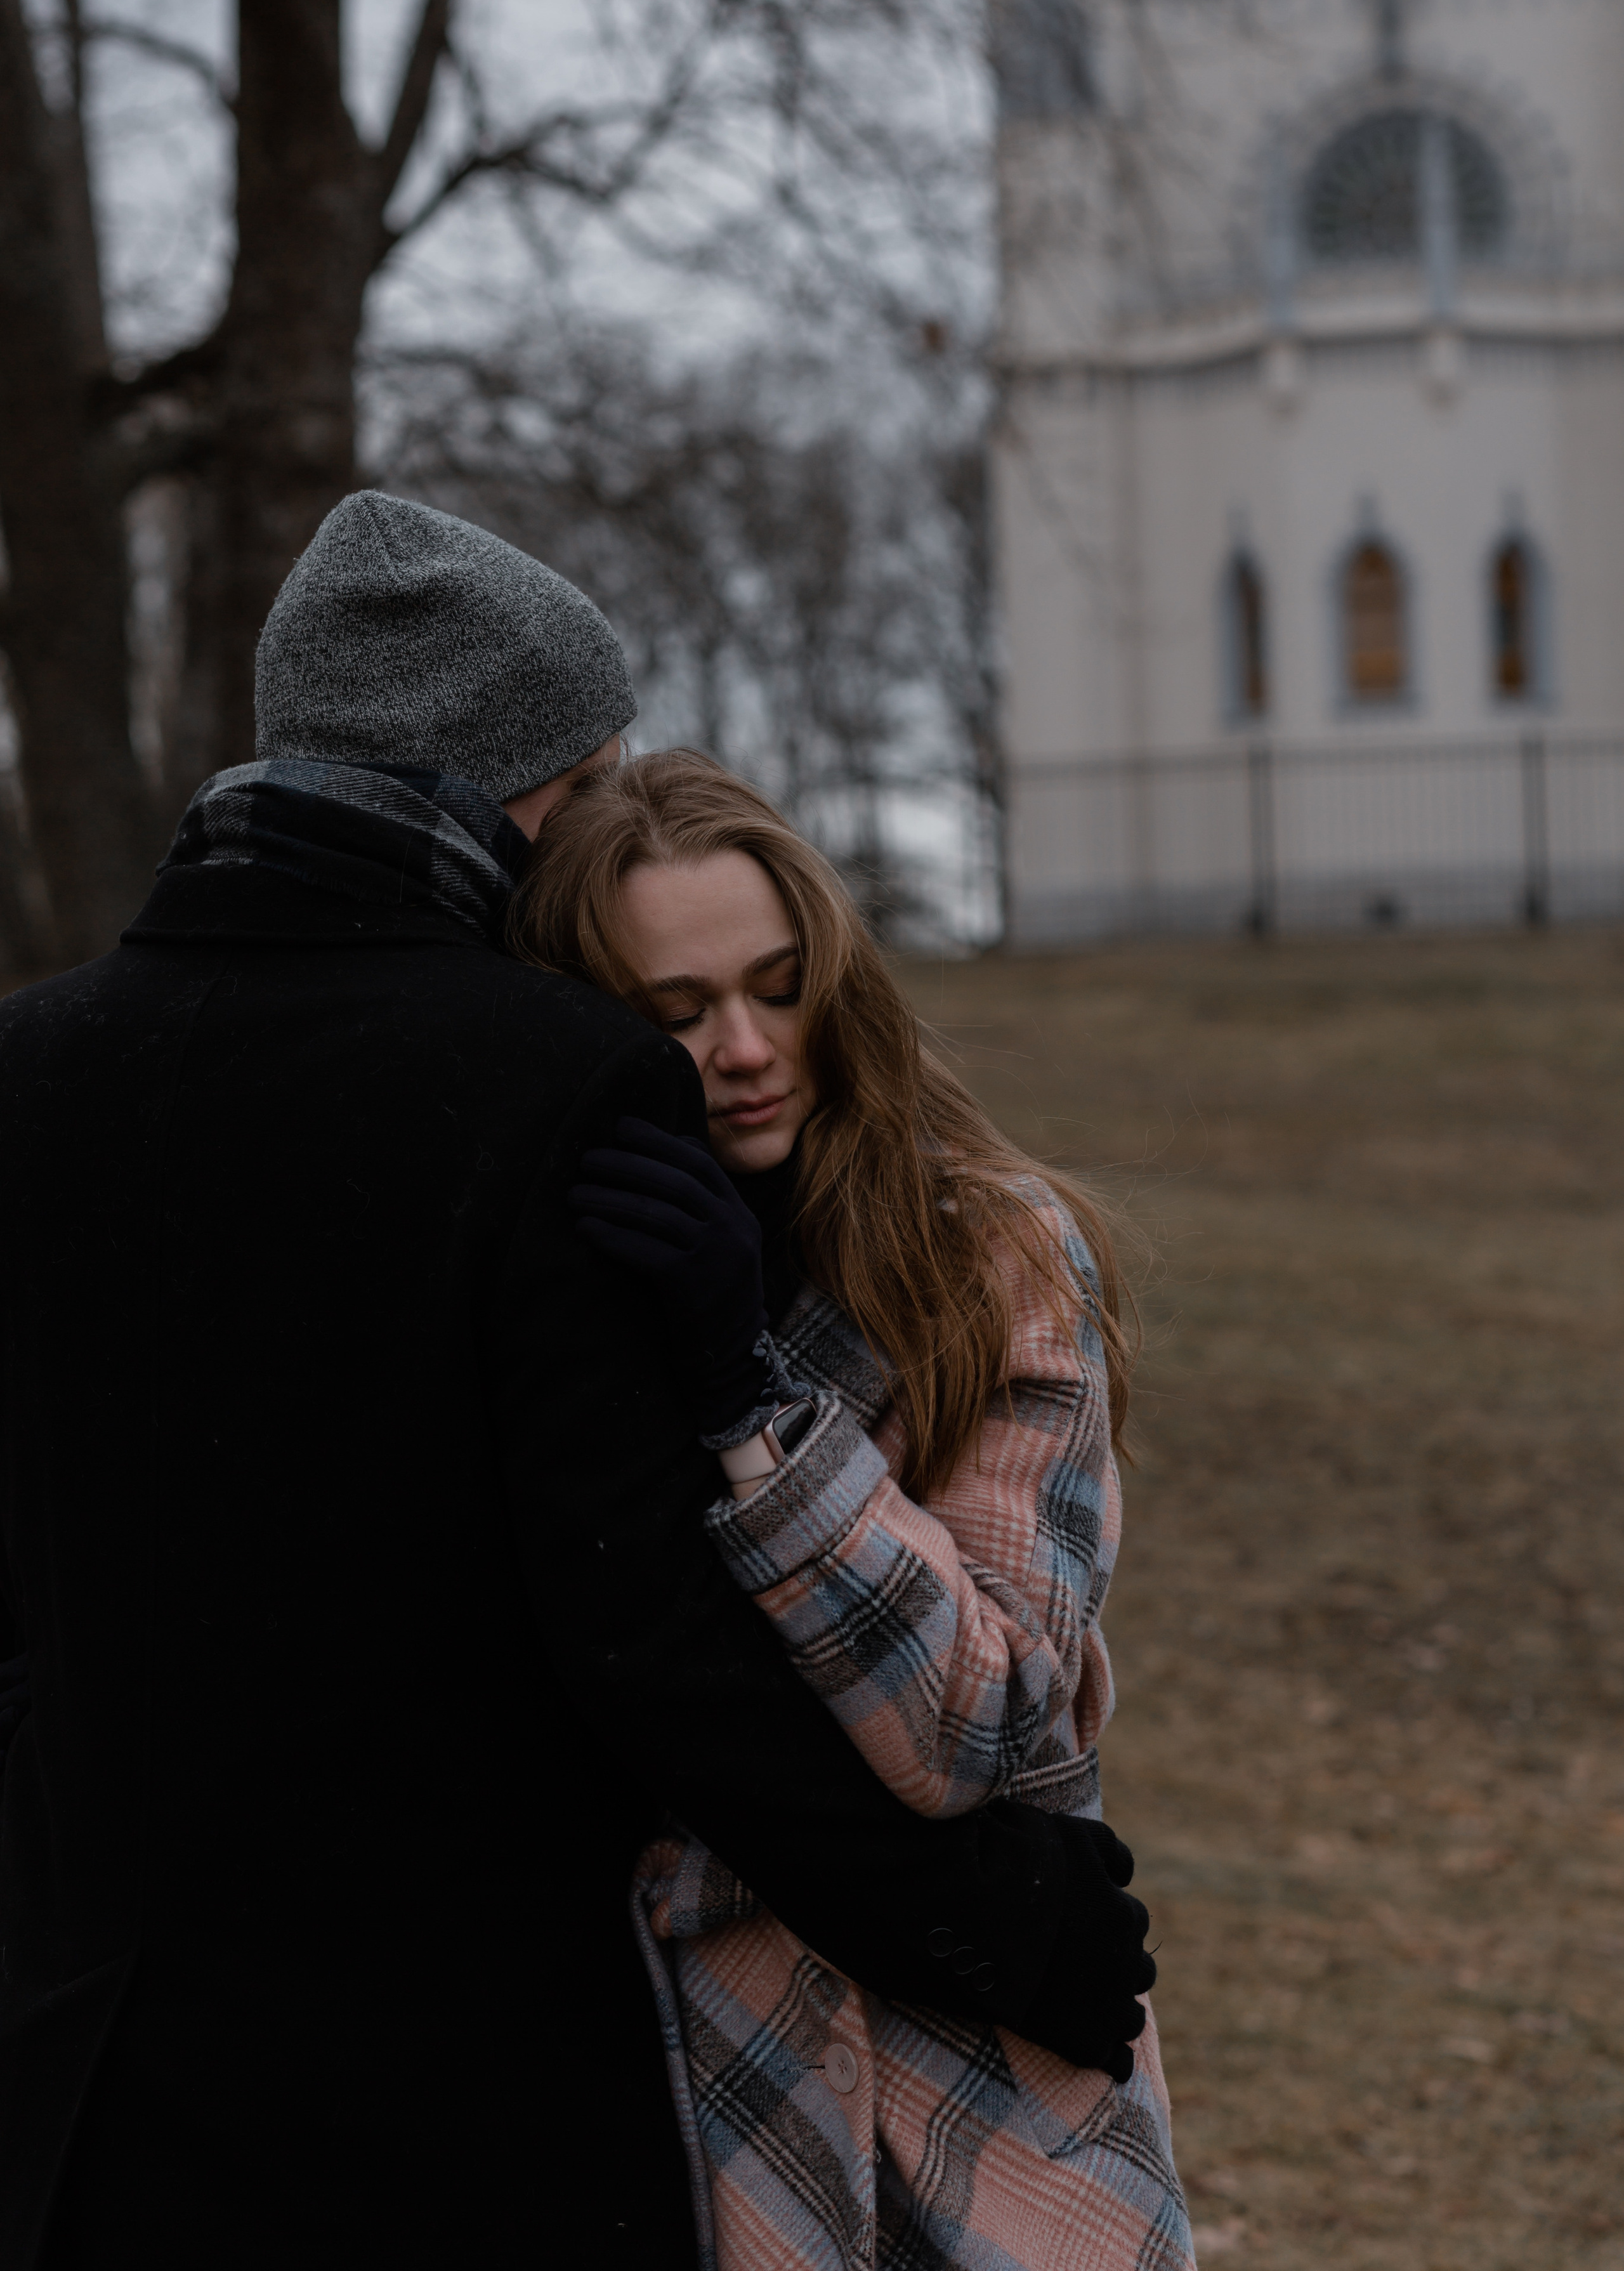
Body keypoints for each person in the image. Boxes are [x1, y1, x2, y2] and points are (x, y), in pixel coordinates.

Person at [0, 493, 1156, 2269]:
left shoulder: (33, 1071)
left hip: (97, 2082)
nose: (741, 1048)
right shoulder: (546, 1088)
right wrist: (977, 1914)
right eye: (595, 769)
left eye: (780, 988)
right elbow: (641, 1639)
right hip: (476, 2081)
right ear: (523, 789)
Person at [515, 748, 1195, 2271]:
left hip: (996, 2087)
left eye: (778, 986)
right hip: (701, 2081)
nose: (745, 1049)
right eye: (674, 1016)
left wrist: (753, 1399)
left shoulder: (993, 1259)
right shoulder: (549, 1306)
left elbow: (989, 1717)